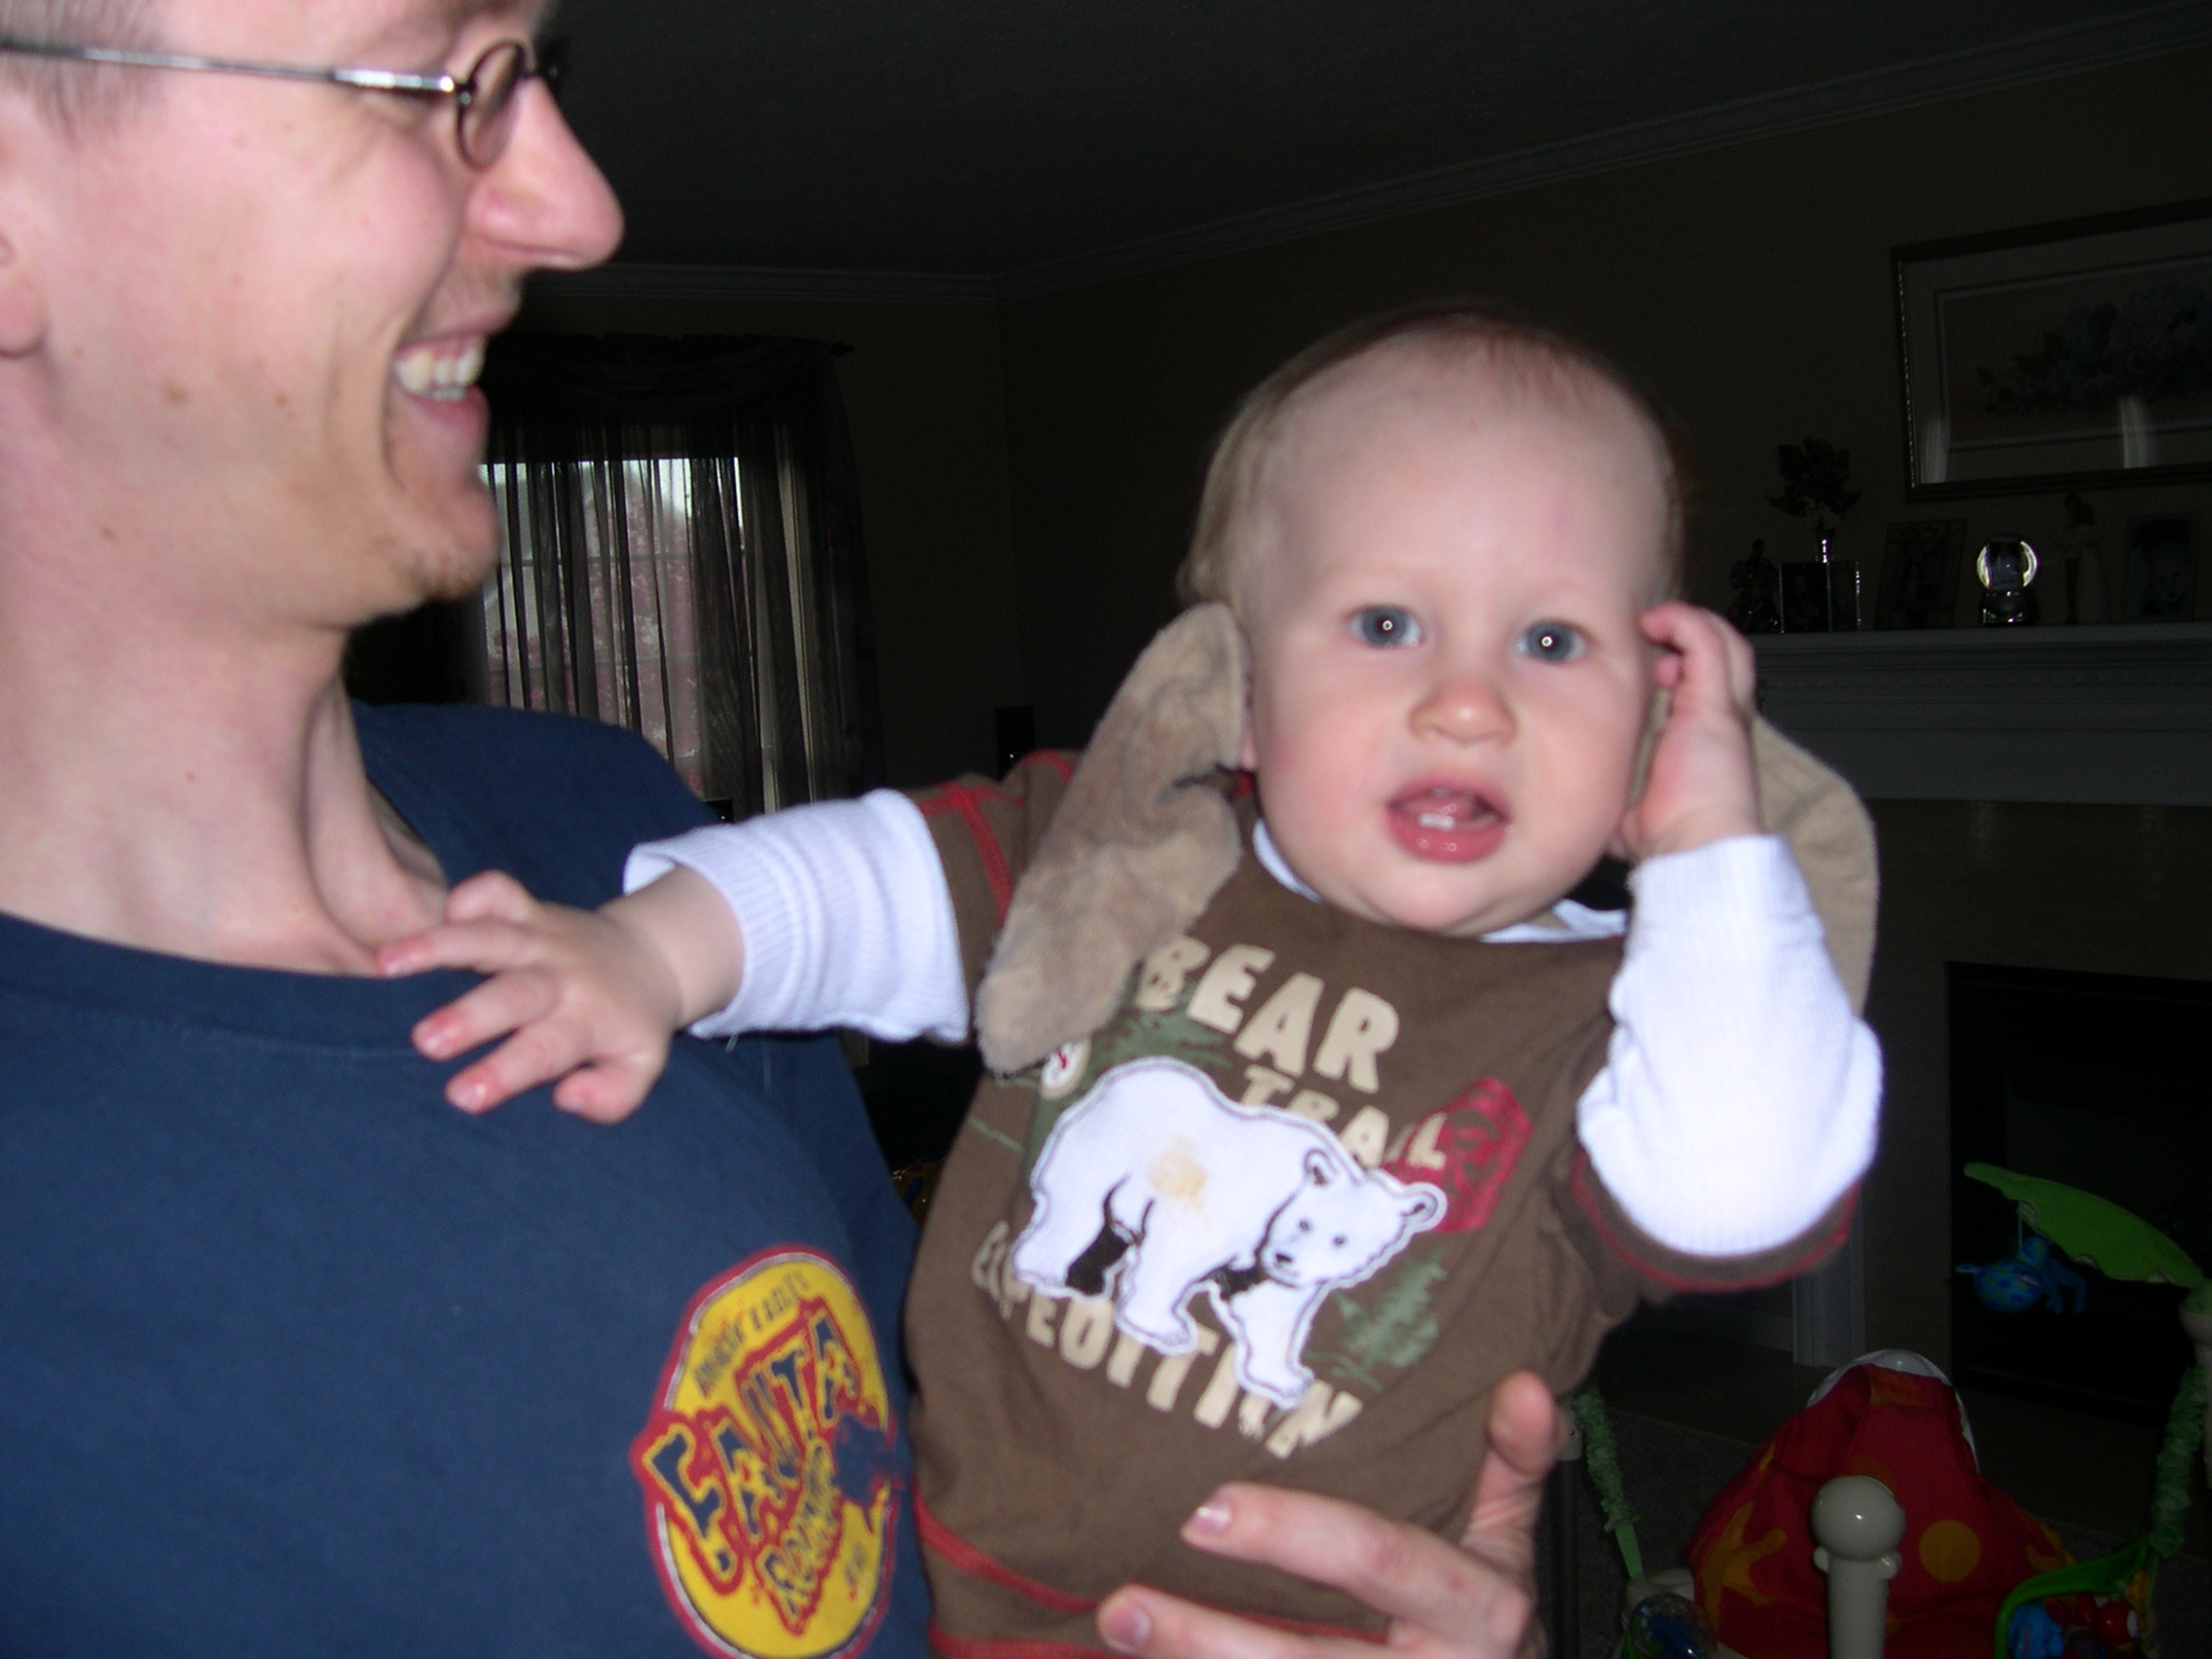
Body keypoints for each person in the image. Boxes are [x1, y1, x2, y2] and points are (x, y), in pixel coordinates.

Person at [0, 4, 1565, 1655]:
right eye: (438, 81)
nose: (581, 207)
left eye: (540, 71)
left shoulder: (629, 855)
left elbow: (932, 1523)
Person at [381, 311, 1883, 1651]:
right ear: (1236, 680)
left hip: (1336, 1632)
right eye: (1385, 624)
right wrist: (655, 952)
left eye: (1553, 641)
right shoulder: (1134, 853)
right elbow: (878, 878)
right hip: (952, 1577)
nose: (1470, 700)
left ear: (1656, 718)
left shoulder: (1628, 1023)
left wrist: (1709, 865)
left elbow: (1739, 1200)